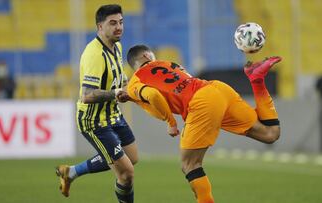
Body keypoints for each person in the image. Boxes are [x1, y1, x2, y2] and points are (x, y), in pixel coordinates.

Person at [122, 45, 281, 203]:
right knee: (270, 133)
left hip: (201, 102)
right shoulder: (168, 64)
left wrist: (170, 122)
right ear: (148, 57)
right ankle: (257, 80)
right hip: (218, 88)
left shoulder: (135, 82)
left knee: (190, 164)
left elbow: (153, 95)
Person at [55, 5, 137, 203]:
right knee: (126, 173)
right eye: (112, 23)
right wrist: (115, 93)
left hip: (112, 114)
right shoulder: (94, 54)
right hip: (94, 121)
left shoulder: (116, 46)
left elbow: (119, 77)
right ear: (100, 27)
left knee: (131, 157)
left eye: (121, 22)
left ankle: (71, 172)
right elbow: (87, 95)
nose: (119, 27)